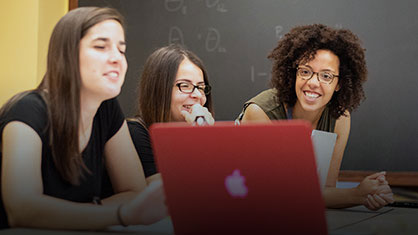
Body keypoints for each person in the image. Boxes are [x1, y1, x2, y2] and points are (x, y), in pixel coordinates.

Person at [0, 7, 167, 230]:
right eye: (101, 47)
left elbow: (134, 191)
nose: (116, 58)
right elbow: (21, 210)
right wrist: (119, 214)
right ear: (66, 54)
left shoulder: (107, 110)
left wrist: (80, 215)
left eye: (122, 50)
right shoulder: (27, 111)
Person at [237, 24, 394, 210]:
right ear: (293, 73)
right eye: (305, 71)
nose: (312, 83)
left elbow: (325, 191)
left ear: (339, 84)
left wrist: (365, 195)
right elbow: (277, 194)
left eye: (326, 76)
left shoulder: (339, 118)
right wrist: (356, 193)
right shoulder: (261, 113)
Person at [124, 44, 214, 181]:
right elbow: (164, 193)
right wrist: (200, 139)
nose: (197, 94)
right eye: (185, 86)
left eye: (201, 87)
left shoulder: (189, 133)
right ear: (159, 89)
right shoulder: (135, 133)